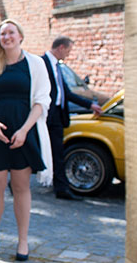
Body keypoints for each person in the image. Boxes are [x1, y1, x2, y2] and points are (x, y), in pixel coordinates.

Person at [0, 19, 52, 262]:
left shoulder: (35, 64)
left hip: (23, 133)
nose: (6, 37)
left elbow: (41, 101)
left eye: (11, 33)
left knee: (21, 187)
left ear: (20, 37)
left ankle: (23, 241)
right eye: (2, 34)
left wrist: (25, 130)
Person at [43, 36, 102, 200]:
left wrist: (90, 105)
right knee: (36, 150)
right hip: (43, 115)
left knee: (58, 153)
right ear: (61, 47)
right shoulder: (41, 63)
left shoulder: (58, 66)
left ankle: (61, 188)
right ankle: (18, 181)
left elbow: (66, 93)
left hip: (57, 116)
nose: (68, 55)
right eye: (68, 51)